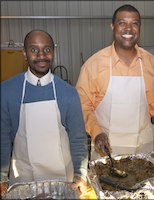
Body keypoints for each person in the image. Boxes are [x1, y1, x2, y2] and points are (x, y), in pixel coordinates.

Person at [76, 4, 154, 160]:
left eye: (134, 23)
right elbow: (83, 106)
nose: (129, 29)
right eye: (122, 23)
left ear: (140, 28)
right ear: (112, 26)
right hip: (107, 148)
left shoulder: (153, 64)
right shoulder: (93, 65)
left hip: (145, 146)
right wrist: (96, 133)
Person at [0, 29, 88, 197]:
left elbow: (78, 138)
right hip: (24, 179)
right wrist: (2, 177)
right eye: (34, 50)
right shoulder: (7, 91)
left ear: (53, 52)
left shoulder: (68, 93)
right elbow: (2, 138)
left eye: (47, 49)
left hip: (63, 179)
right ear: (25, 54)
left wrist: (80, 174)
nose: (41, 55)